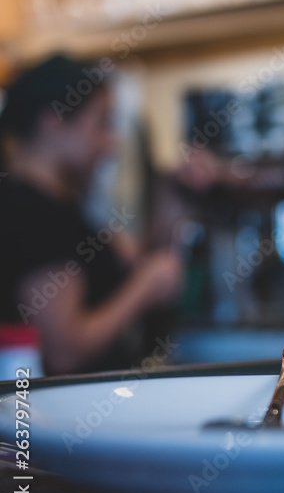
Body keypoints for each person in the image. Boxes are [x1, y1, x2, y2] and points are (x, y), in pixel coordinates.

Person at [0, 54, 183, 375]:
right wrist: (142, 289)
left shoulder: (54, 205)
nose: (110, 143)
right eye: (102, 123)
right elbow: (64, 350)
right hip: (53, 420)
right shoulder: (31, 213)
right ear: (53, 122)